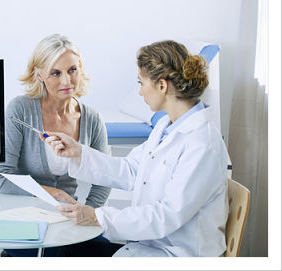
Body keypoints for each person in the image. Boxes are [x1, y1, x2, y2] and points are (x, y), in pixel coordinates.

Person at [42, 40, 229, 257]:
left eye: (141, 83)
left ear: (161, 86)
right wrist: (78, 152)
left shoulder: (202, 144)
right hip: (148, 247)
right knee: (60, 249)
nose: (140, 92)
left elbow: (166, 216)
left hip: (177, 255)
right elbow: (131, 169)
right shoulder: (165, 126)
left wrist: (97, 217)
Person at [0, 34, 111, 256]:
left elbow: (105, 178)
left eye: (72, 70)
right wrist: (50, 193)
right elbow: (0, 177)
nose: (67, 81)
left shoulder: (92, 118)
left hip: (69, 223)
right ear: (39, 75)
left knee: (117, 253)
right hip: (24, 221)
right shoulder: (21, 111)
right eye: (56, 73)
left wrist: (88, 213)